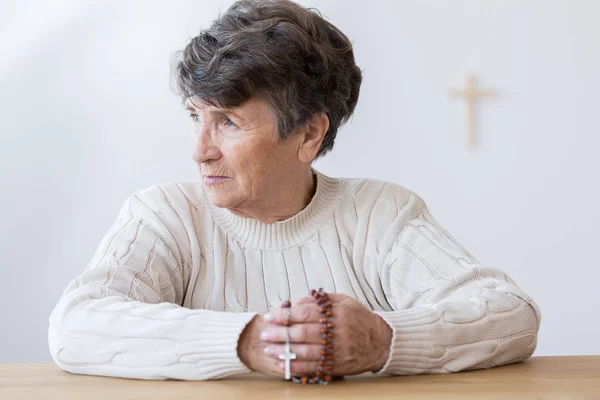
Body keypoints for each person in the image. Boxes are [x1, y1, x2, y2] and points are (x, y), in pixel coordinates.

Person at [48, 0, 540, 382]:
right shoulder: (163, 215)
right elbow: (76, 326)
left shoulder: (380, 214)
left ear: (309, 134)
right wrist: (249, 341)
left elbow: (513, 315)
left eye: (229, 123)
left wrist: (384, 340)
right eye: (196, 117)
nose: (200, 151)